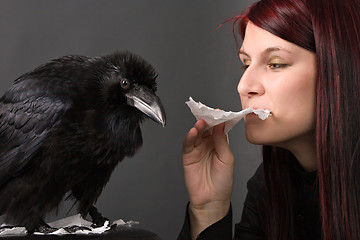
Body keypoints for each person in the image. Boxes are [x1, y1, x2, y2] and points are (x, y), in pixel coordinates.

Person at [177, 0, 360, 239]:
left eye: (275, 64)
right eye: (246, 64)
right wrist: (209, 209)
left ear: (339, 70)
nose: (243, 86)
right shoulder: (269, 185)